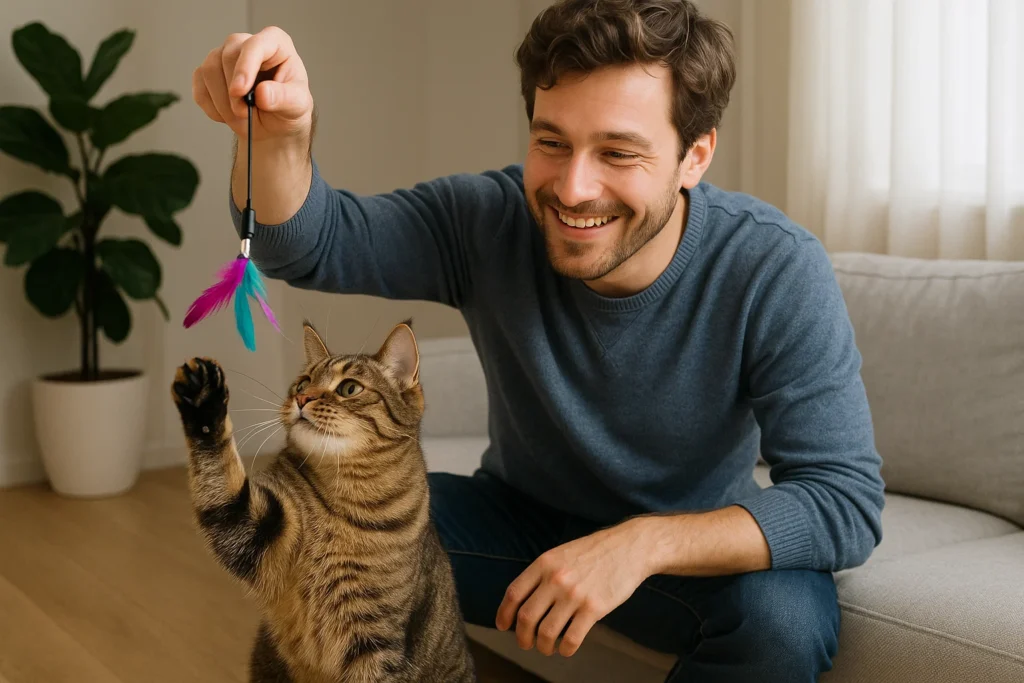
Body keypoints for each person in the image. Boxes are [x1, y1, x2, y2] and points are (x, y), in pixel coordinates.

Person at [192, 1, 885, 680]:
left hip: (680, 553)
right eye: (552, 142)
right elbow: (308, 244)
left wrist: (638, 545)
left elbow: (842, 498)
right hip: (514, 526)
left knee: (785, 622)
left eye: (618, 151)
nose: (573, 188)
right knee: (318, 536)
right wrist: (281, 136)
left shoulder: (774, 267)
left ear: (694, 155)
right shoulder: (489, 220)